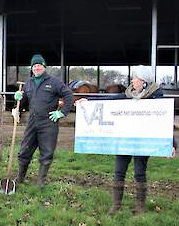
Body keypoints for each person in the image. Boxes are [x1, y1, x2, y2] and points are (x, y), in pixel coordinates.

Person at [75, 65, 177, 215]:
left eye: (135, 78)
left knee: (139, 172)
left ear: (144, 82)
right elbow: (108, 101)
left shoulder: (156, 98)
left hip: (143, 142)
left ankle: (140, 206)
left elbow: (164, 122)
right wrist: (87, 100)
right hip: (124, 141)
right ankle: (116, 204)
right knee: (119, 171)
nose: (132, 81)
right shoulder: (128, 95)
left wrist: (172, 144)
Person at [15, 54, 74, 188]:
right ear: (32, 68)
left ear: (44, 67)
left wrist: (62, 112)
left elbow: (68, 95)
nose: (36, 68)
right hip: (32, 122)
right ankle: (20, 178)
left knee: (46, 152)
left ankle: (40, 181)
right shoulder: (28, 83)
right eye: (34, 66)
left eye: (39, 65)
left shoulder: (54, 82)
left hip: (48, 123)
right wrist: (18, 98)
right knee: (24, 150)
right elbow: (23, 103)